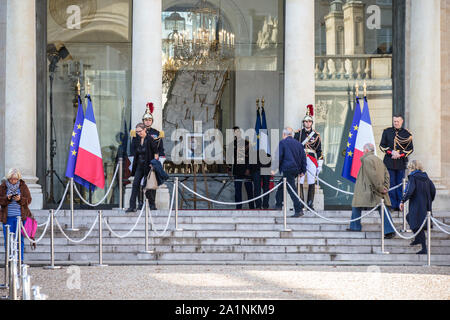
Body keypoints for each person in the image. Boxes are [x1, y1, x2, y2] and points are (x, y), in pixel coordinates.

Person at [348, 143, 396, 239]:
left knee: (356, 205)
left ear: (366, 150)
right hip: (377, 189)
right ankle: (389, 229)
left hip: (370, 190)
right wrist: (385, 186)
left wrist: (381, 188)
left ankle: (355, 226)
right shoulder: (379, 160)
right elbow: (387, 174)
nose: (362, 151)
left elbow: (372, 175)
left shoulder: (366, 160)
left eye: (363, 149)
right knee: (383, 209)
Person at [400, 160, 436, 254]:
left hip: (416, 204)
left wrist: (403, 200)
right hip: (425, 204)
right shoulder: (426, 177)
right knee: (411, 219)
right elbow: (433, 190)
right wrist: (429, 200)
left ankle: (424, 248)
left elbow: (410, 190)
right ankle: (417, 239)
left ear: (412, 168)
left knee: (417, 223)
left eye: (409, 168)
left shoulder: (413, 177)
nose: (409, 170)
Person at [380, 115, 414, 211]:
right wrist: (391, 152)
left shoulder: (407, 133)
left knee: (400, 184)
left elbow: (410, 149)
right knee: (390, 184)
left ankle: (400, 205)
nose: (396, 123)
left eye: (398, 121)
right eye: (394, 121)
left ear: (402, 121)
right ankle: (391, 205)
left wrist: (400, 154)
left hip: (401, 163)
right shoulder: (387, 131)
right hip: (389, 162)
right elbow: (382, 146)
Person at [272, 127, 307, 217]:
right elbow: (303, 158)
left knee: (292, 190)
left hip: (288, 169)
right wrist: (303, 170)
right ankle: (278, 205)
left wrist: (274, 169)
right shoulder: (299, 144)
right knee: (281, 185)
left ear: (284, 134)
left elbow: (278, 157)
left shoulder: (283, 142)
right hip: (296, 170)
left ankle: (298, 209)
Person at [294, 104, 323, 210]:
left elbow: (319, 150)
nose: (308, 123)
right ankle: (300, 204)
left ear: (312, 123)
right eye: (306, 121)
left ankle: (310, 204)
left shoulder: (316, 135)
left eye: (310, 121)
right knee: (300, 180)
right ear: (303, 123)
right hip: (301, 158)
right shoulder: (298, 134)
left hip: (311, 158)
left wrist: (320, 164)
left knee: (311, 180)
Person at [0, 168, 33, 258]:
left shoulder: (23, 186)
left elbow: (29, 200)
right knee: (8, 240)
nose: (13, 181)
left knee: (19, 239)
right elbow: (1, 200)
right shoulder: (3, 186)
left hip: (20, 218)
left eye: (15, 179)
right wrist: (7, 199)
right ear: (8, 178)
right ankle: (9, 259)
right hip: (7, 218)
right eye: (11, 179)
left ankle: (20, 259)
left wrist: (20, 199)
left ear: (18, 178)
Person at [127, 123, 159, 212]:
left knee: (147, 186)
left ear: (145, 130)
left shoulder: (150, 139)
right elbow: (134, 152)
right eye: (137, 132)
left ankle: (152, 204)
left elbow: (156, 153)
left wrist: (153, 163)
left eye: (140, 131)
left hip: (148, 166)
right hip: (139, 166)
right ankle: (132, 206)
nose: (138, 133)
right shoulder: (137, 139)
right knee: (135, 184)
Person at [230, 127, 255, 209]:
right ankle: (238, 208)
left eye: (238, 131)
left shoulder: (247, 143)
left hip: (246, 170)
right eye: (235, 132)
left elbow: (251, 157)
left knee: (249, 191)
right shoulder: (232, 144)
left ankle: (251, 207)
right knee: (237, 191)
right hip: (237, 170)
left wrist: (248, 169)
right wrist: (229, 169)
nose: (237, 133)